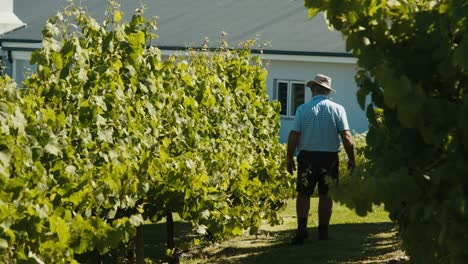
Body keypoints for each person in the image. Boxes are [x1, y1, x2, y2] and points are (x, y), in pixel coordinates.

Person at [286, 73, 355, 245]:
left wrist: (289, 157)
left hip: (307, 157)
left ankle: (302, 229)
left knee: (303, 194)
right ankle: (323, 232)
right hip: (329, 158)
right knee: (326, 195)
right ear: (327, 91)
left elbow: (294, 134)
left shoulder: (302, 109)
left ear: (313, 90)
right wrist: (352, 159)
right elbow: (346, 136)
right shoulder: (338, 109)